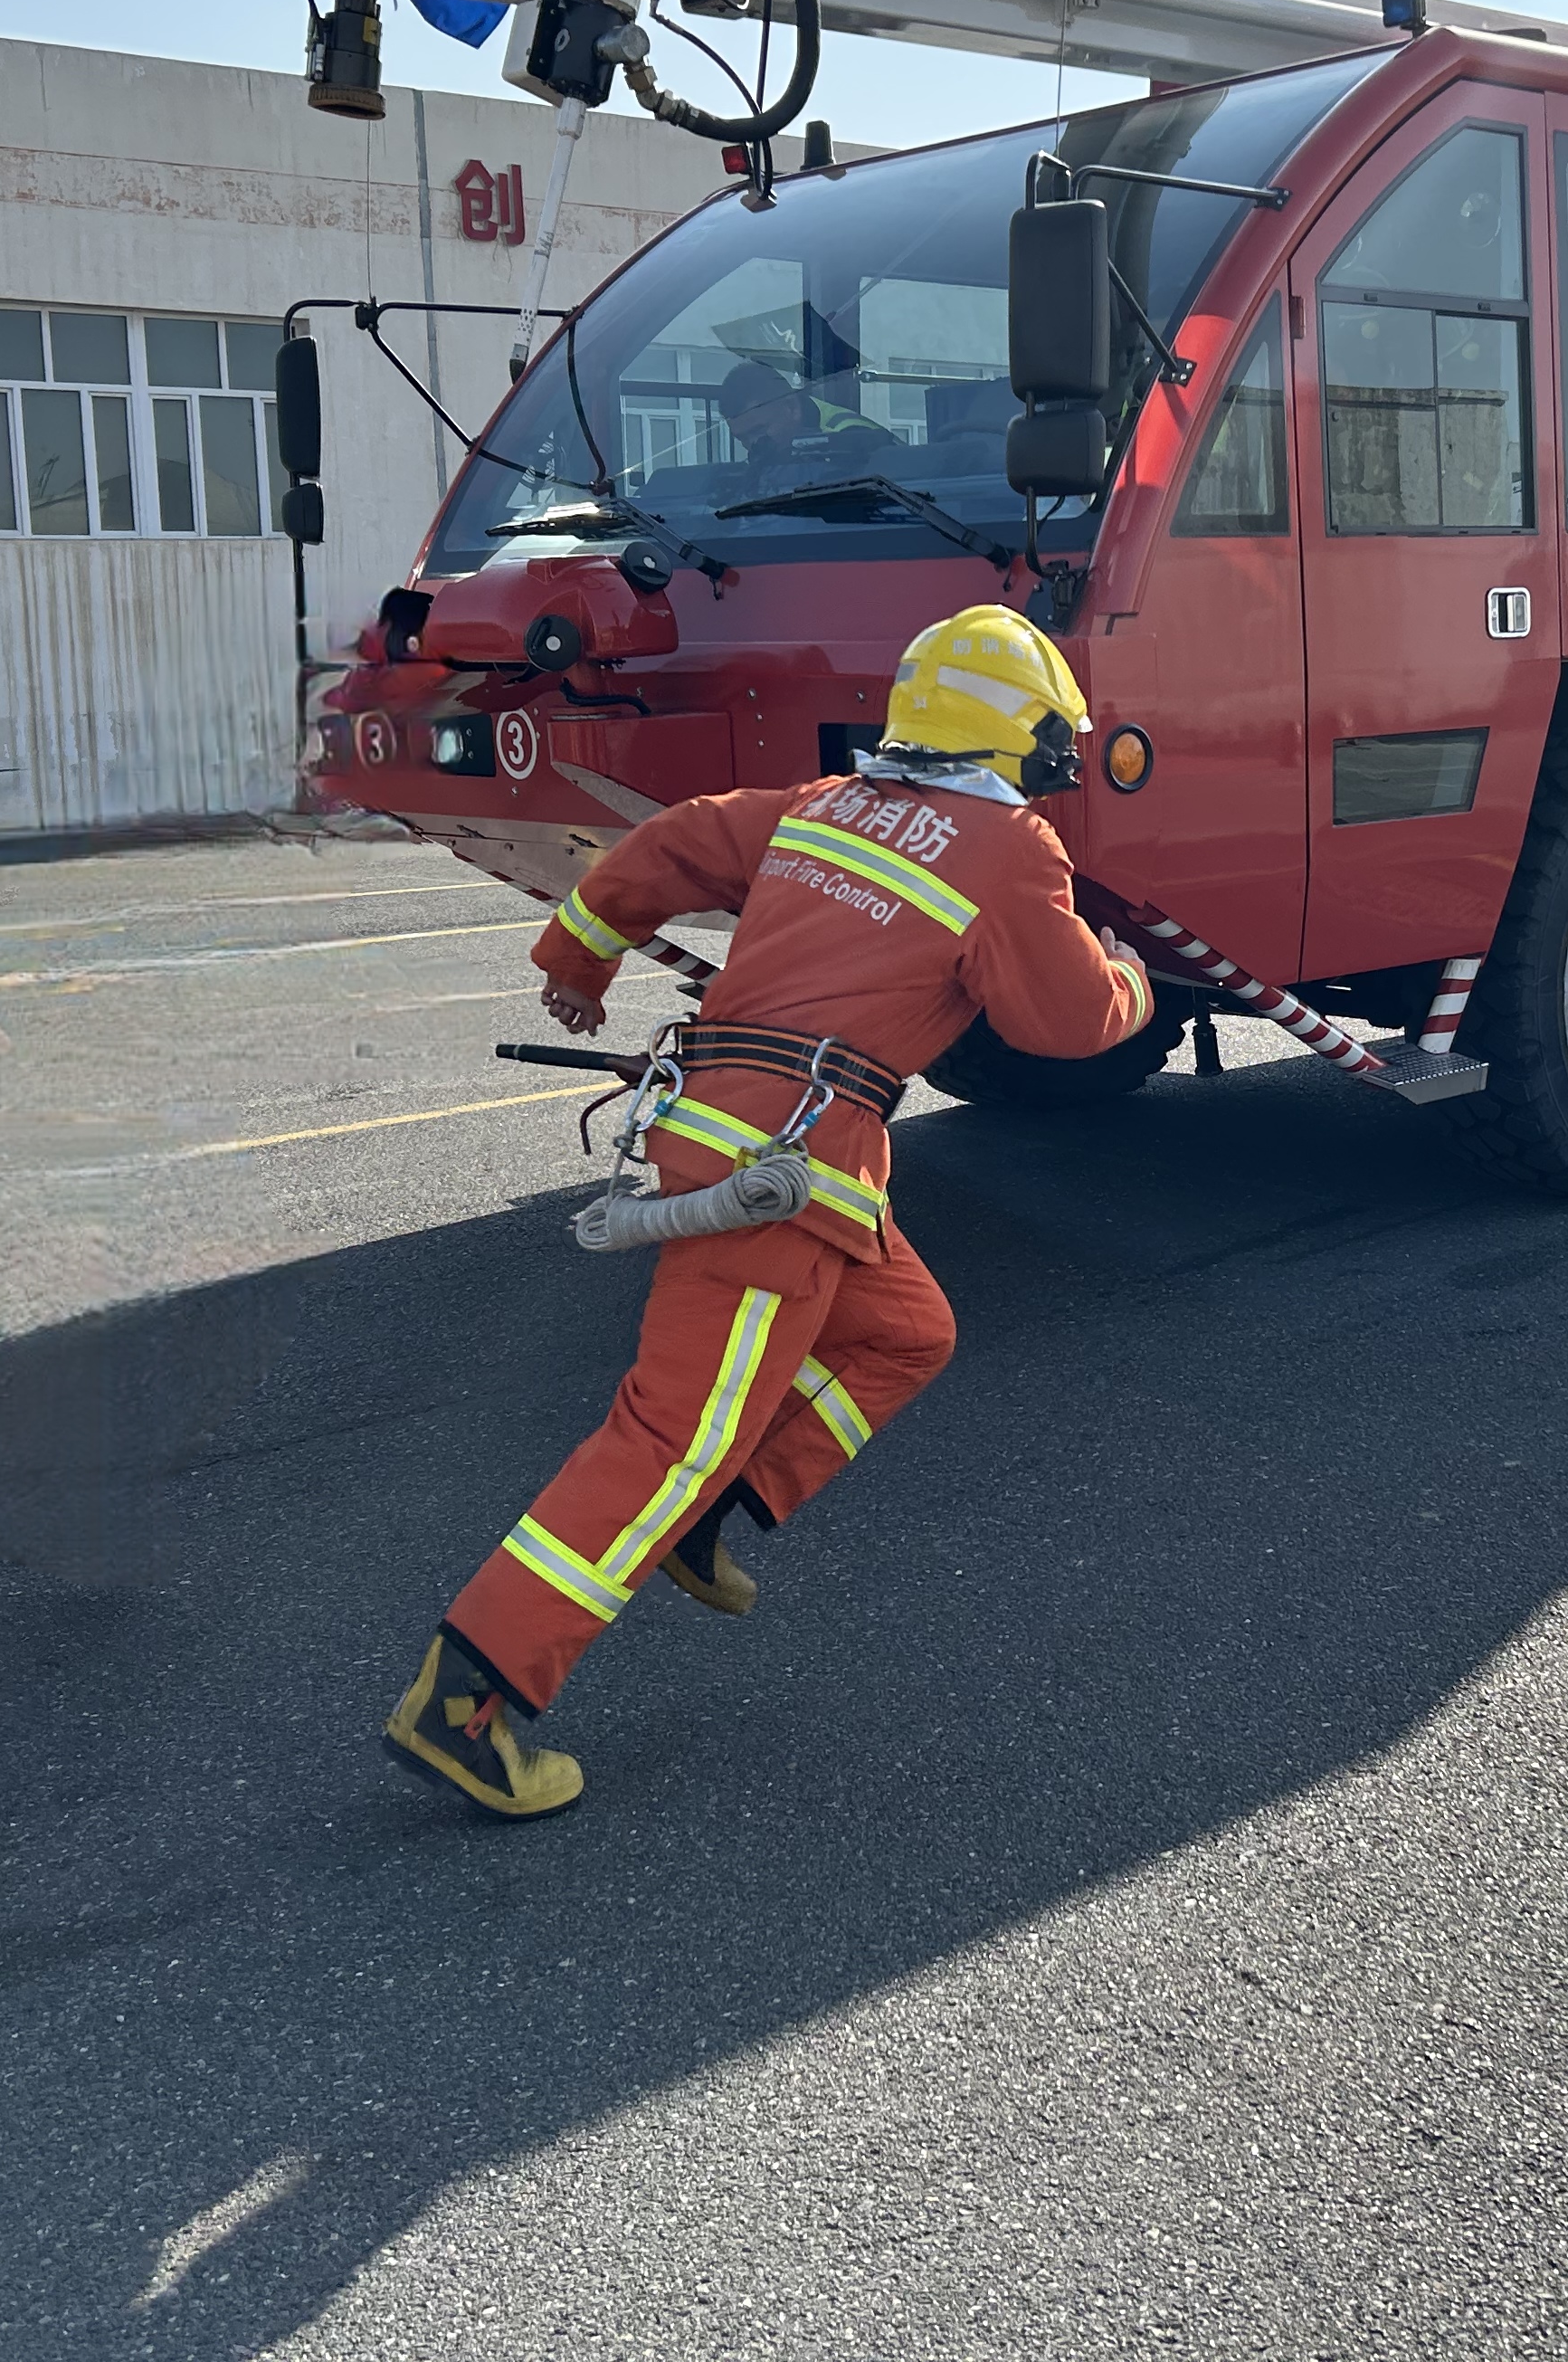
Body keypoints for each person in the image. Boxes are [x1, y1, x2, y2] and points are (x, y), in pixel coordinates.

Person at [386, 603, 1156, 1818]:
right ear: (1020, 740)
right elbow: (1061, 1025)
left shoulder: (821, 807)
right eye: (1054, 750)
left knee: (907, 1332)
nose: (1055, 777)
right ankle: (470, 1701)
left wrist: (575, 958)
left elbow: (671, 847)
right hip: (778, 1181)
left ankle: (711, 1517)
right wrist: (1129, 979)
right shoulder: (1009, 850)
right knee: (663, 1441)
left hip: (747, 1144)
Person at [714, 357, 892, 478]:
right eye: (742, 438)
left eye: (759, 430)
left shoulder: (854, 439)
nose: (752, 445)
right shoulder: (778, 446)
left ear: (791, 407)